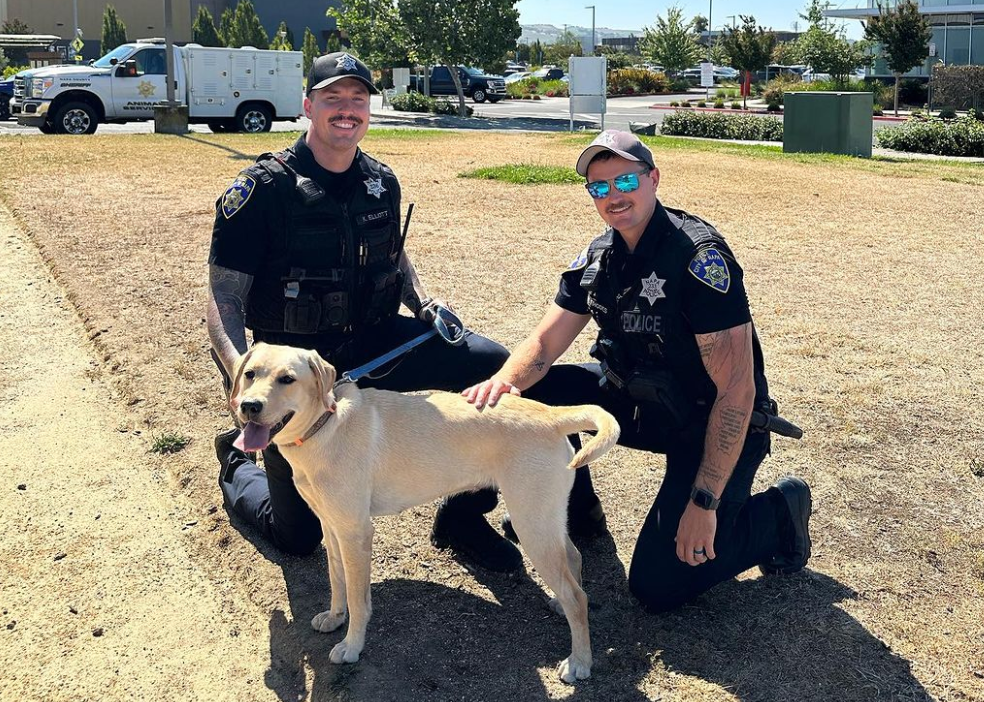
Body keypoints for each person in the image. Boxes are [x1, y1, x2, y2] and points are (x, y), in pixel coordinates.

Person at [463, 130, 813, 612]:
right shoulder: (599, 257)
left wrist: (705, 500)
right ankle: (574, 510)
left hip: (707, 422)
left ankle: (778, 513)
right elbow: (544, 344)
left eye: (624, 179)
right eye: (599, 187)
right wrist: (501, 386)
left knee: (658, 585)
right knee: (529, 400)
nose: (613, 196)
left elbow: (736, 389)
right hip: (638, 401)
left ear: (653, 179)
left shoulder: (696, 258)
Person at [207, 52, 522, 572]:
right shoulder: (263, 189)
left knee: (490, 362)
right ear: (308, 105)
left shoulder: (380, 180)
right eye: (333, 98)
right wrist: (241, 372)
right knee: (299, 537)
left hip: (377, 343)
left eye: (358, 99)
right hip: (297, 367)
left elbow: (392, 255)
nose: (347, 109)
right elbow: (223, 295)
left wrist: (422, 302)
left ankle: (465, 517)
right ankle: (239, 461)